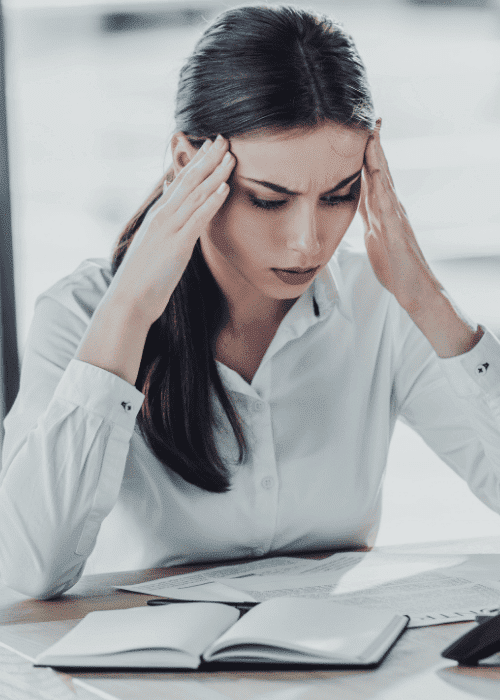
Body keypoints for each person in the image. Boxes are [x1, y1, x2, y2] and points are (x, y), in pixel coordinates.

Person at [1, 4, 499, 601]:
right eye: (269, 199)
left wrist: (426, 296)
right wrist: (130, 310)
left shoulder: (382, 309)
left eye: (339, 196)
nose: (307, 241)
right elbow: (25, 573)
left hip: (333, 673)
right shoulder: (82, 315)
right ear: (189, 163)